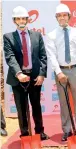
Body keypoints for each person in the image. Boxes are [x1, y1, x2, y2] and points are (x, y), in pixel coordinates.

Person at [3, 6, 49, 140]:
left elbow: (43, 56)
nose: (21, 21)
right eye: (18, 18)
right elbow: (10, 57)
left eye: (24, 18)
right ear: (14, 21)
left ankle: (39, 132)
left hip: (35, 77)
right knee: (21, 108)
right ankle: (24, 134)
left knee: (36, 106)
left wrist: (41, 74)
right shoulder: (8, 37)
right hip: (18, 78)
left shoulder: (37, 35)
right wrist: (19, 73)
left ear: (28, 20)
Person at [45, 4, 76, 141]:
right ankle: (67, 130)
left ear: (69, 17)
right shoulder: (51, 35)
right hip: (61, 72)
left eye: (64, 15)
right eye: (59, 15)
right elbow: (52, 56)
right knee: (63, 103)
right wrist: (58, 73)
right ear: (56, 18)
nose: (62, 18)